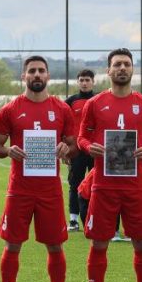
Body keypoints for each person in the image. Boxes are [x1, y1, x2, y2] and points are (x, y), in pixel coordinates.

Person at [77, 48, 142, 282]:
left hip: (135, 184)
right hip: (103, 184)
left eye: (127, 64)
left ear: (133, 69)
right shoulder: (95, 104)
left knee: (141, 242)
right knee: (99, 243)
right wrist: (91, 147)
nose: (122, 68)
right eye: (117, 65)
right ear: (108, 70)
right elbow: (81, 138)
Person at [0, 56, 78, 282]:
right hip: (19, 189)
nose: (36, 75)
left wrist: (67, 150)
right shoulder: (9, 110)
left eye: (41, 70)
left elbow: (74, 147)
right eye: (32, 71)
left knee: (55, 246)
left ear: (48, 76)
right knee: (12, 245)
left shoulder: (62, 109)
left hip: (50, 190)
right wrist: (8, 151)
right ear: (24, 76)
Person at [64, 69, 95, 231]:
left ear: (93, 82)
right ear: (78, 82)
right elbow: (63, 126)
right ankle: (74, 220)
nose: (84, 83)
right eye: (81, 80)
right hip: (76, 151)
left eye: (87, 80)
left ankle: (94, 217)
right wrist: (66, 150)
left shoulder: (99, 100)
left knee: (97, 185)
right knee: (75, 183)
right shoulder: (70, 102)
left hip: (95, 150)